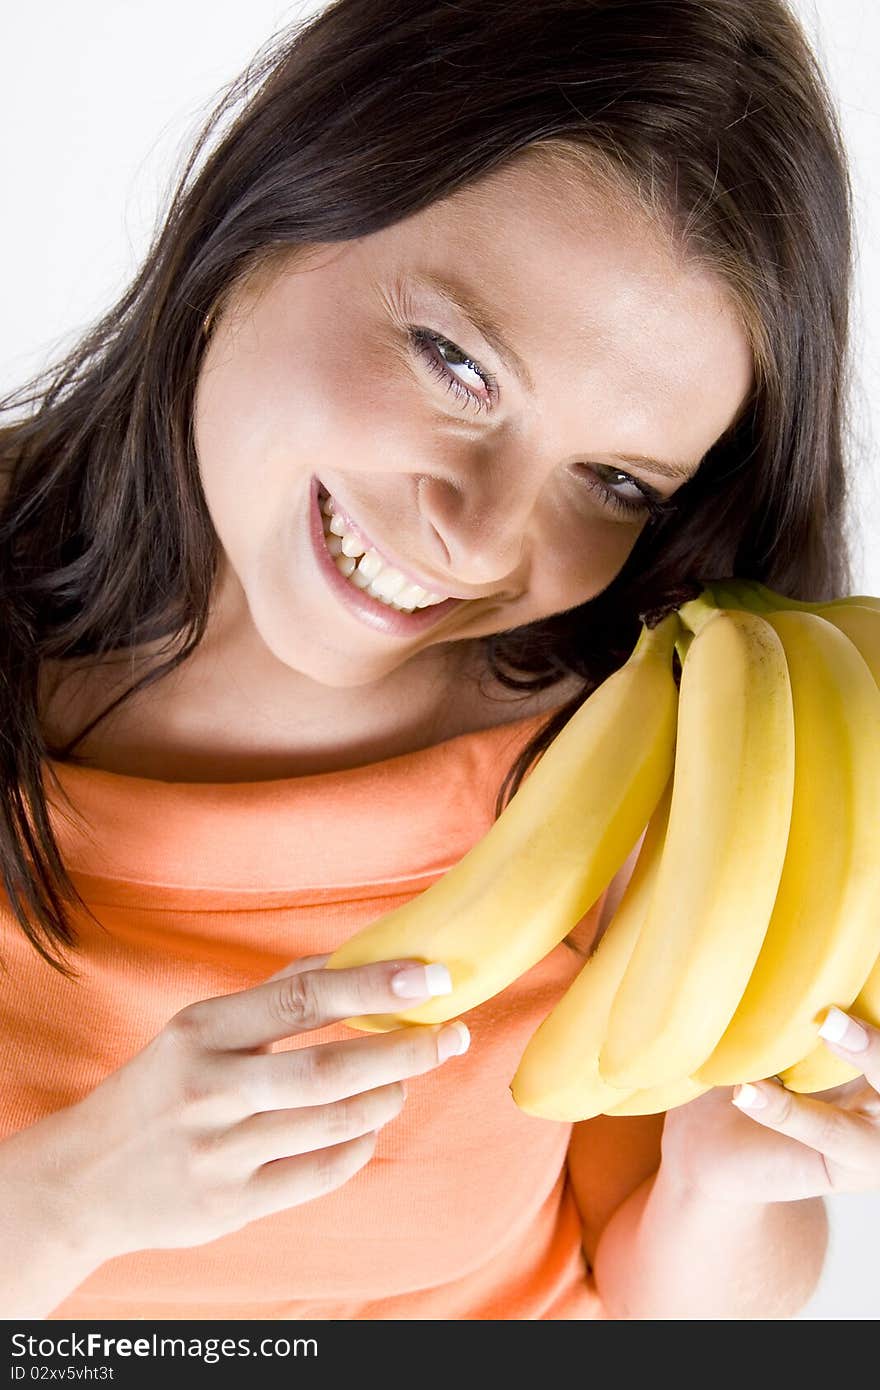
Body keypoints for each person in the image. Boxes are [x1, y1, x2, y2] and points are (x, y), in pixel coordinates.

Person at [0, 0, 877, 1322]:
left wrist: (727, 1180)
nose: (480, 536)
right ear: (273, 207)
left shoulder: (629, 756)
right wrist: (67, 1196)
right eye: (456, 362)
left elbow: (664, 1310)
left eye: (615, 478)